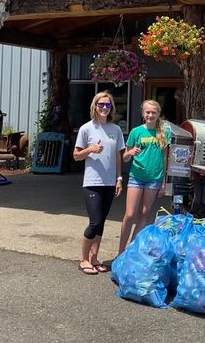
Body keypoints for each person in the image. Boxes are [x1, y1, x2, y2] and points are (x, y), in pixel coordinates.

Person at [73, 91, 124, 275]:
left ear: (111, 108)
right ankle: (84, 259)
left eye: (107, 105)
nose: (104, 108)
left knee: (101, 223)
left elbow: (118, 156)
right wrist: (90, 149)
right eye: (101, 104)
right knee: (94, 222)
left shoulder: (115, 130)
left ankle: (94, 258)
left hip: (109, 183)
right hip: (92, 182)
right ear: (94, 106)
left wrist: (119, 178)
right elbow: (76, 155)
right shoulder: (86, 128)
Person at [118, 99, 171, 254]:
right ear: (143, 113)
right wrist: (130, 152)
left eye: (153, 112)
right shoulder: (136, 132)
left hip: (154, 179)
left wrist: (164, 183)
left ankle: (131, 249)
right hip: (136, 177)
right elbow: (125, 158)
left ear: (158, 114)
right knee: (130, 215)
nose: (150, 115)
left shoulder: (164, 133)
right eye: (147, 112)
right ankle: (120, 251)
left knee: (144, 214)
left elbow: (165, 158)